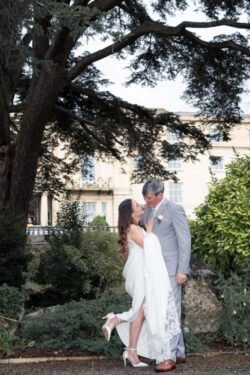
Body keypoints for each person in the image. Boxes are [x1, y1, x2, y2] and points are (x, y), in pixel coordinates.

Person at [102, 199, 180, 369]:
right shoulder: (133, 228)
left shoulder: (134, 227)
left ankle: (132, 351)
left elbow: (142, 209)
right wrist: (150, 231)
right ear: (130, 214)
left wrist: (147, 205)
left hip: (141, 273)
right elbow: (148, 246)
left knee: (142, 312)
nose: (140, 207)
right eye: (137, 206)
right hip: (140, 275)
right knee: (139, 310)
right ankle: (115, 320)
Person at [141, 178, 191, 372]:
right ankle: (179, 352)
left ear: (160, 194)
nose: (147, 200)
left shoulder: (174, 209)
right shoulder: (148, 212)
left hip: (171, 270)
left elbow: (184, 240)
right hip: (155, 270)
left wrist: (182, 270)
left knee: (169, 312)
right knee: (166, 311)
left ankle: (168, 357)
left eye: (149, 197)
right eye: (145, 197)